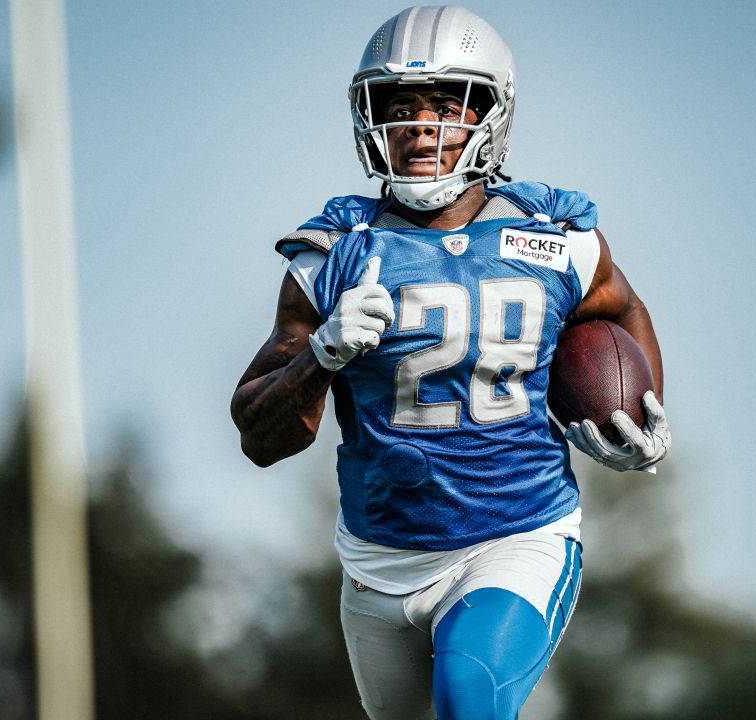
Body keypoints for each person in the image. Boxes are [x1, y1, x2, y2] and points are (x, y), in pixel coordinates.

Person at [230, 6, 670, 719]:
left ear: (490, 114)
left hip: (518, 536)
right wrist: (321, 356)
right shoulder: (332, 256)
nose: (420, 127)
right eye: (400, 107)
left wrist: (639, 416)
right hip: (379, 561)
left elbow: (621, 311)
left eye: (446, 105)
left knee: (470, 696)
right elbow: (258, 436)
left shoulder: (554, 240)